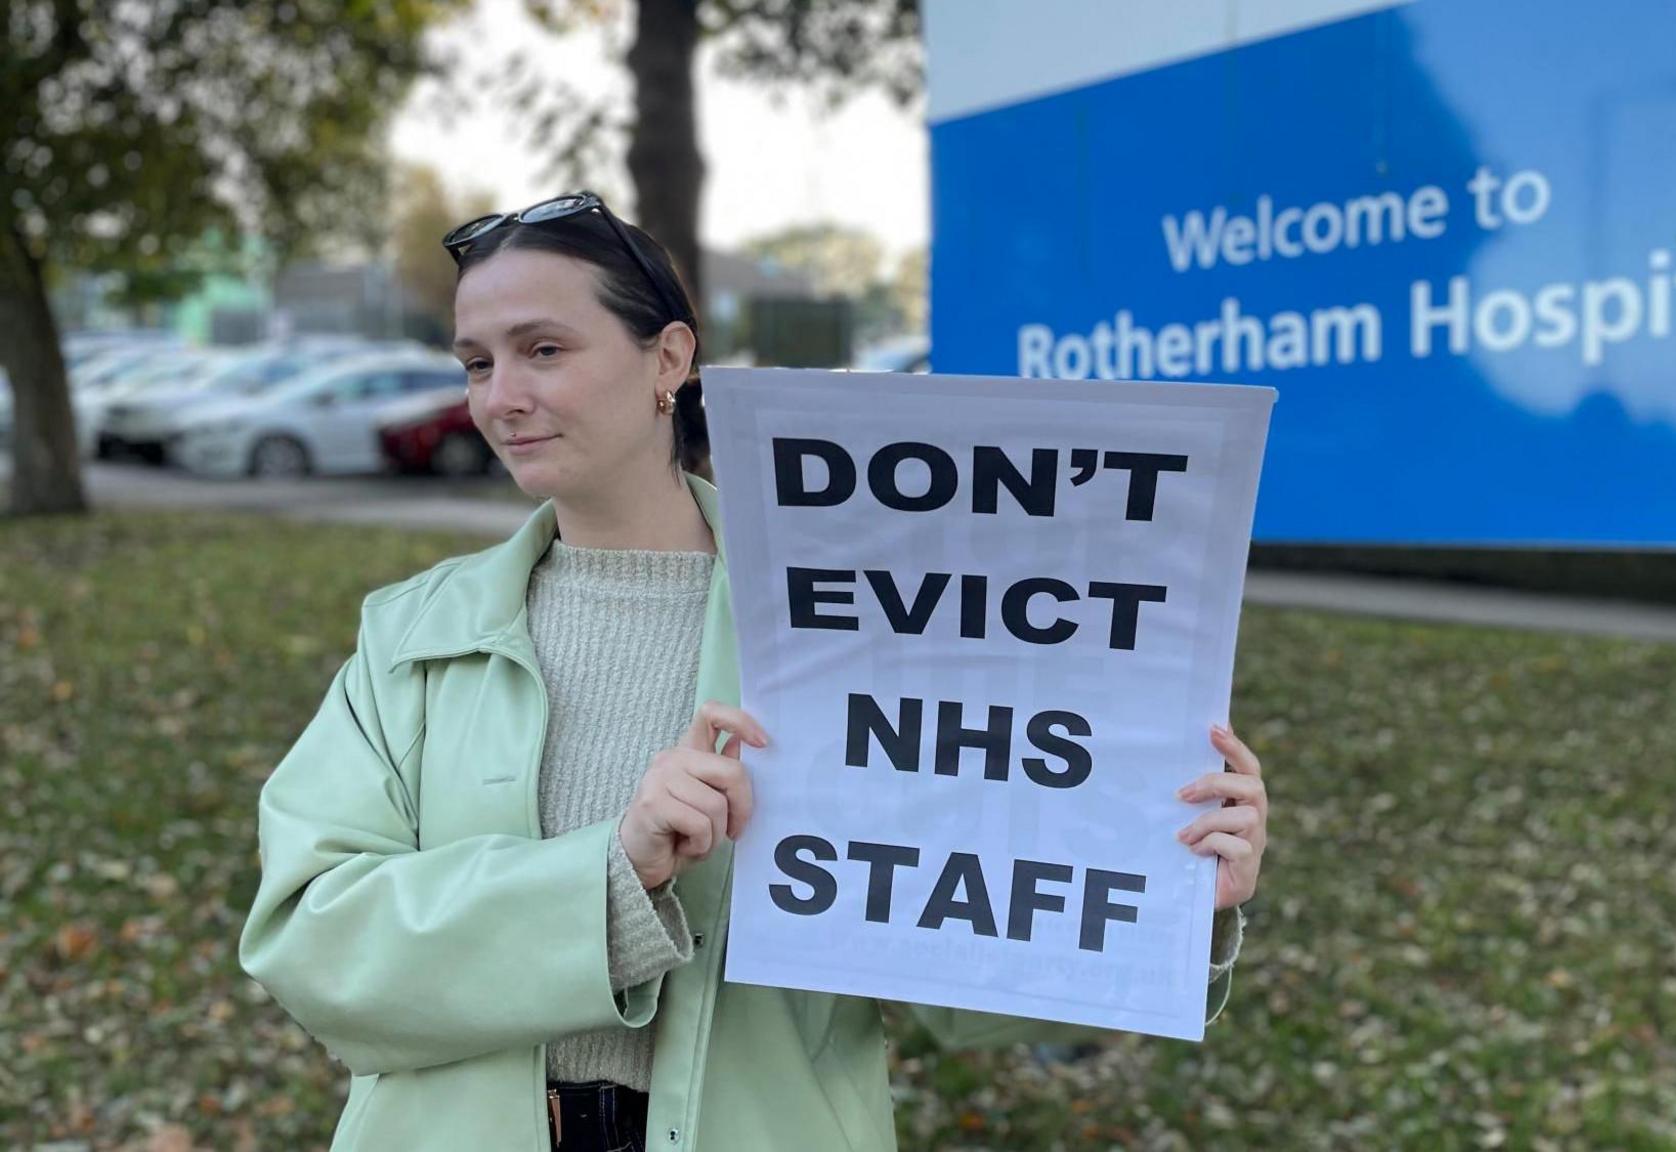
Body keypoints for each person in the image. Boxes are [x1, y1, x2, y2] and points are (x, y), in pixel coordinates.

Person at [236, 191, 1272, 1152]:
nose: (501, 396)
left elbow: (967, 993)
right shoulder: (412, 636)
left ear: (667, 360)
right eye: (474, 362)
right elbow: (310, 943)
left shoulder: (877, 624)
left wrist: (1165, 897)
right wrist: (612, 875)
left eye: (542, 348)